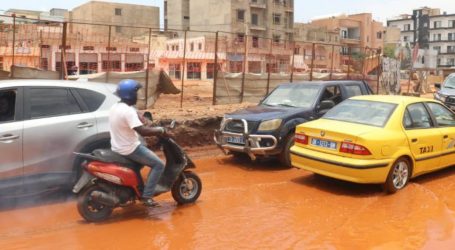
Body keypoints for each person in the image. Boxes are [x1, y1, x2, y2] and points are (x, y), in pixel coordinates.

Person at [109, 79, 166, 207]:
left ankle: (137, 187)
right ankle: (147, 196)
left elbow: (135, 116)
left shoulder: (116, 106)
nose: (138, 96)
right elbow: (143, 131)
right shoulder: (127, 111)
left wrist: (143, 118)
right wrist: (160, 130)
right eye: (136, 93)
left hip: (117, 146)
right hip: (129, 149)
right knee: (158, 165)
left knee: (142, 156)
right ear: (130, 94)